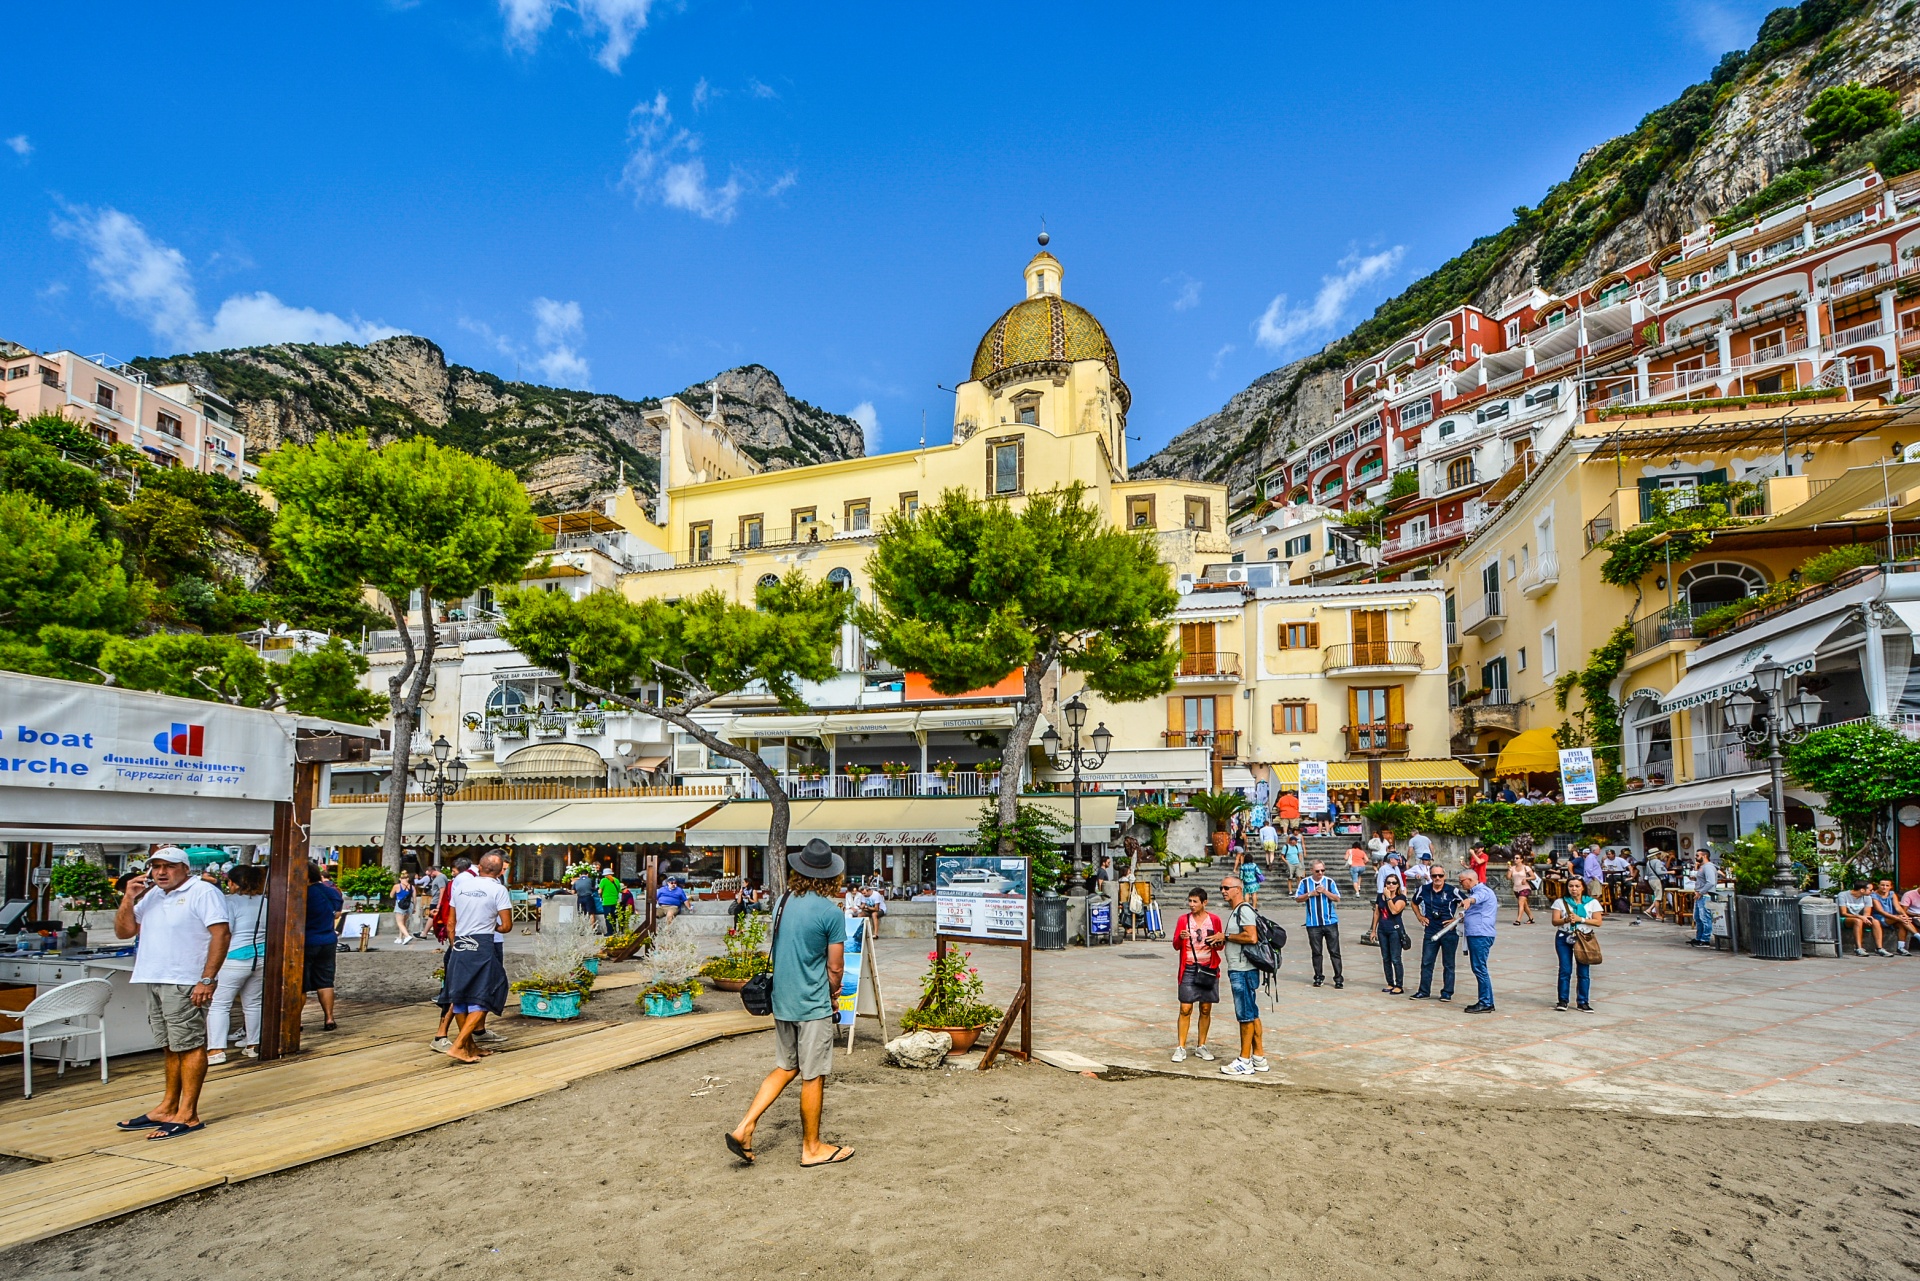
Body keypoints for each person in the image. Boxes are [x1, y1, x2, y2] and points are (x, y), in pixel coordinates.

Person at [728, 839, 854, 1167]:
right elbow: (836, 967)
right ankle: (812, 1148)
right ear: (830, 876)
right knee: (813, 1074)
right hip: (812, 1003)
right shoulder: (831, 912)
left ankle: (745, 1126)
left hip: (782, 1000)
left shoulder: (782, 902)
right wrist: (833, 994)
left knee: (787, 1066)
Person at [112, 846, 231, 1139]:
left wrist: (207, 978)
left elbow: (221, 933)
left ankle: (188, 1114)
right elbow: (124, 931)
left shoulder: (203, 891)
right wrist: (128, 897)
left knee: (189, 1044)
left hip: (185, 979)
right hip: (154, 977)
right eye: (157, 866)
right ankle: (168, 1106)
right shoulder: (152, 895)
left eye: (169, 866)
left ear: (185, 868)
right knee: (170, 1045)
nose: (161, 872)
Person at [444, 852, 514, 1065]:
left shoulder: (461, 886)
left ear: (480, 867)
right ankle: (458, 1045)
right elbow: (507, 926)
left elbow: (450, 923)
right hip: (482, 942)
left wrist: (454, 943)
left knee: (461, 994)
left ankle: (470, 1045)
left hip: (460, 942)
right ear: (500, 870)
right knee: (486, 992)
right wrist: (491, 925)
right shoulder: (498, 889)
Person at [206, 864, 269, 1065]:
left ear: (232, 883)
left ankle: (216, 1050)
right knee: (253, 1003)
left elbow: (225, 932)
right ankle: (254, 1045)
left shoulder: (228, 902)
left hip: (233, 958)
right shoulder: (267, 902)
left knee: (220, 1005)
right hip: (261, 957)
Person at [1216, 876, 1267, 1076]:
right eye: (1221, 888)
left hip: (1243, 970)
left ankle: (1244, 1060)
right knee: (1252, 1013)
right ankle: (1259, 1057)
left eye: (1227, 887)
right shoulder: (1238, 911)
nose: (1223, 891)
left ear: (1238, 889)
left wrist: (1226, 937)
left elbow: (1251, 936)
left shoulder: (1244, 910)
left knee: (1245, 1015)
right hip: (1242, 969)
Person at [1170, 888, 1222, 1063]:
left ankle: (1201, 1045)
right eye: (1190, 901)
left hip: (1208, 968)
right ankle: (1181, 1047)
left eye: (1195, 901)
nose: (1191, 905)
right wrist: (1181, 938)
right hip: (1189, 968)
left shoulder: (1214, 920)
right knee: (1185, 1008)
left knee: (1206, 1008)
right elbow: (1176, 945)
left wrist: (1217, 939)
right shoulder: (1183, 920)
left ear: (1204, 902)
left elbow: (1220, 946)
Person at [1409, 863, 1465, 1002]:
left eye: (1440, 875)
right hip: (1431, 930)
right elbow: (1413, 902)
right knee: (1427, 962)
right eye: (1434, 875)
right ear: (1431, 876)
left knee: (1449, 964)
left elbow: (1469, 904)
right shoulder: (1424, 889)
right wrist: (1420, 916)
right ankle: (1424, 991)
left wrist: (1457, 918)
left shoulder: (1453, 890)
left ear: (1444, 876)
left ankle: (1447, 992)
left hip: (1449, 931)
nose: (1437, 878)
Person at [302, 860, 344, 1031]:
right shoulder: (331, 891)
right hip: (328, 939)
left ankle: (296, 1021)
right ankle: (329, 1018)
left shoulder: (303, 894)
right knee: (326, 981)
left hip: (307, 940)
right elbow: (337, 914)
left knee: (301, 983)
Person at [1551, 874, 1603, 1012]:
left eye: (1577, 886)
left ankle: (1583, 1001)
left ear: (1583, 888)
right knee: (1565, 969)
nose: (1574, 889)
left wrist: (1582, 919)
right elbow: (1555, 921)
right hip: (1565, 936)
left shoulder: (1591, 902)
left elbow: (1598, 921)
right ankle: (1562, 1000)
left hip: (1584, 937)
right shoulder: (1560, 902)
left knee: (1583, 970)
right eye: (1571, 886)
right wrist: (1566, 919)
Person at [1295, 859, 1344, 989]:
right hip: (1313, 923)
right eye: (1317, 871)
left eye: (1322, 870)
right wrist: (1311, 894)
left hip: (1330, 922)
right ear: (1312, 870)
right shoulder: (1305, 882)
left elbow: (1337, 898)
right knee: (1316, 952)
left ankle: (1338, 978)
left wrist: (1325, 892)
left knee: (1334, 952)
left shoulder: (1329, 882)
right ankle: (1318, 977)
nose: (1320, 873)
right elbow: (1298, 899)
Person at [1459, 866, 1499, 1013]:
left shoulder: (1482, 891)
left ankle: (1485, 1002)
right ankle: (1488, 1000)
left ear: (1470, 880)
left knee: (1479, 968)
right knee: (1479, 968)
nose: (1461, 884)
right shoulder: (1477, 891)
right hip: (1477, 934)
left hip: (1480, 935)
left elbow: (1477, 898)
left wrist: (1469, 900)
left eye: (1462, 881)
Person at [1375, 872, 1409, 995]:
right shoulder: (1380, 896)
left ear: (1398, 885)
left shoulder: (1401, 898)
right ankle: (1390, 982)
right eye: (1388, 883)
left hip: (1395, 930)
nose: (1391, 885)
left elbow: (1394, 911)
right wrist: (1373, 929)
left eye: (1394, 883)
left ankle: (1399, 985)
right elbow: (1377, 913)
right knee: (1386, 958)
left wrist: (1388, 897)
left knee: (1396, 958)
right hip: (1382, 930)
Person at [1868, 880, 1916, 955]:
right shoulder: (1874, 895)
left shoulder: (1892, 894)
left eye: (1887, 885)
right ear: (1878, 885)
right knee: (1902, 919)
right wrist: (1897, 918)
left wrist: (1905, 916)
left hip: (1893, 918)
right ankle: (1918, 936)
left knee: (1902, 923)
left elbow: (1898, 908)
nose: (1884, 887)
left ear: (1891, 887)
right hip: (1880, 918)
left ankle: (1901, 948)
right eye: (1882, 885)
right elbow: (1880, 911)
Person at [1837, 883, 1885, 956]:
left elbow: (1867, 914)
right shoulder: (1843, 895)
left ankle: (1879, 948)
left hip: (1861, 918)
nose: (1872, 892)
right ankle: (1858, 948)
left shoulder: (1867, 897)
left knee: (1875, 921)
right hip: (1845, 919)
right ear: (1862, 890)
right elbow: (1843, 913)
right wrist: (1860, 917)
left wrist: (1864, 918)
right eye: (1870, 890)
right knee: (1858, 921)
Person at [1688, 849, 1721, 948]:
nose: (1695, 857)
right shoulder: (1703, 867)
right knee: (1698, 918)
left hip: (1705, 895)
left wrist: (1701, 892)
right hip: (1700, 895)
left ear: (1704, 856)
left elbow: (1710, 882)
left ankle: (1705, 939)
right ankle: (1699, 937)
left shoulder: (1709, 867)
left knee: (1705, 918)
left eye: (1697, 855)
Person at [1602, 849, 1634, 917]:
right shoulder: (1606, 861)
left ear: (1614, 854)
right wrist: (1603, 862)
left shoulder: (1620, 859)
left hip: (1621, 874)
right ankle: (1613, 900)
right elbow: (1604, 868)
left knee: (1629, 884)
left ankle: (1623, 895)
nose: (1608, 855)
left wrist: (1631, 875)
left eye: (1609, 854)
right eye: (1607, 854)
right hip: (1611, 875)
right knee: (1609, 885)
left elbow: (1629, 866)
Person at [1642, 850, 1669, 922]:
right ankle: (1657, 914)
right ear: (1657, 854)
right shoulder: (1657, 862)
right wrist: (1669, 872)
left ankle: (1649, 910)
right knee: (1658, 898)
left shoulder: (1648, 862)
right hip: (1657, 880)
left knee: (1657, 896)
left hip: (1651, 880)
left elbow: (1646, 874)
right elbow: (1659, 872)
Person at [1509, 852, 1535, 925]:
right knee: (1524, 904)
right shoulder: (1513, 868)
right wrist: (1509, 870)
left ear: (1521, 859)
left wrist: (1526, 878)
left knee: (1520, 903)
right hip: (1516, 888)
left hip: (1525, 887)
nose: (1515, 860)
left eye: (1517, 858)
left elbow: (1533, 876)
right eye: (1514, 858)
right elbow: (1508, 877)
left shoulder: (1526, 867)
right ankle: (1531, 918)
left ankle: (1518, 920)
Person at [392, 870, 417, 946]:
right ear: (408, 878)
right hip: (409, 905)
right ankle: (400, 938)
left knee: (399, 923)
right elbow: (414, 898)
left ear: (400, 878)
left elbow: (391, 895)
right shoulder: (412, 887)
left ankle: (407, 936)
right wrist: (414, 908)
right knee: (403, 923)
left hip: (400, 905)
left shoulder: (397, 886)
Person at [573, 866, 601, 934]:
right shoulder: (590, 880)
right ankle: (592, 930)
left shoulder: (576, 882)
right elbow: (594, 888)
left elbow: (573, 892)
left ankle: (581, 930)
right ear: (587, 874)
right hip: (588, 897)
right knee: (591, 913)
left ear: (580, 875)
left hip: (580, 898)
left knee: (581, 914)